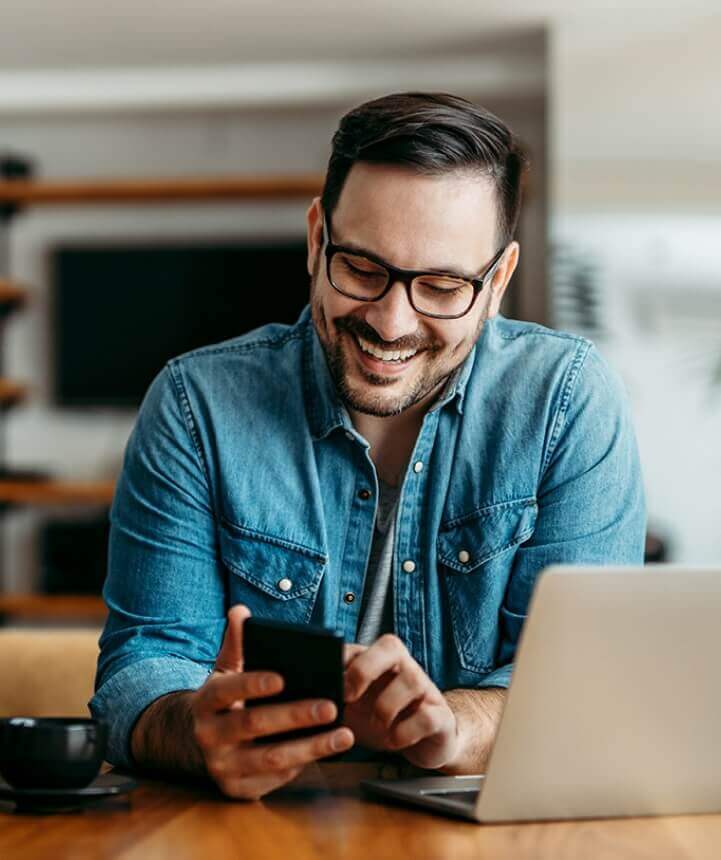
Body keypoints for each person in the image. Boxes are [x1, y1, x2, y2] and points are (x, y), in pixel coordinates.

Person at [90, 91, 646, 800]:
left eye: (442, 286)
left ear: (497, 279)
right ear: (317, 237)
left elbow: (585, 684)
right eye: (361, 268)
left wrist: (453, 726)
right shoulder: (196, 405)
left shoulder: (566, 401)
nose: (389, 322)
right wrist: (195, 731)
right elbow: (142, 670)